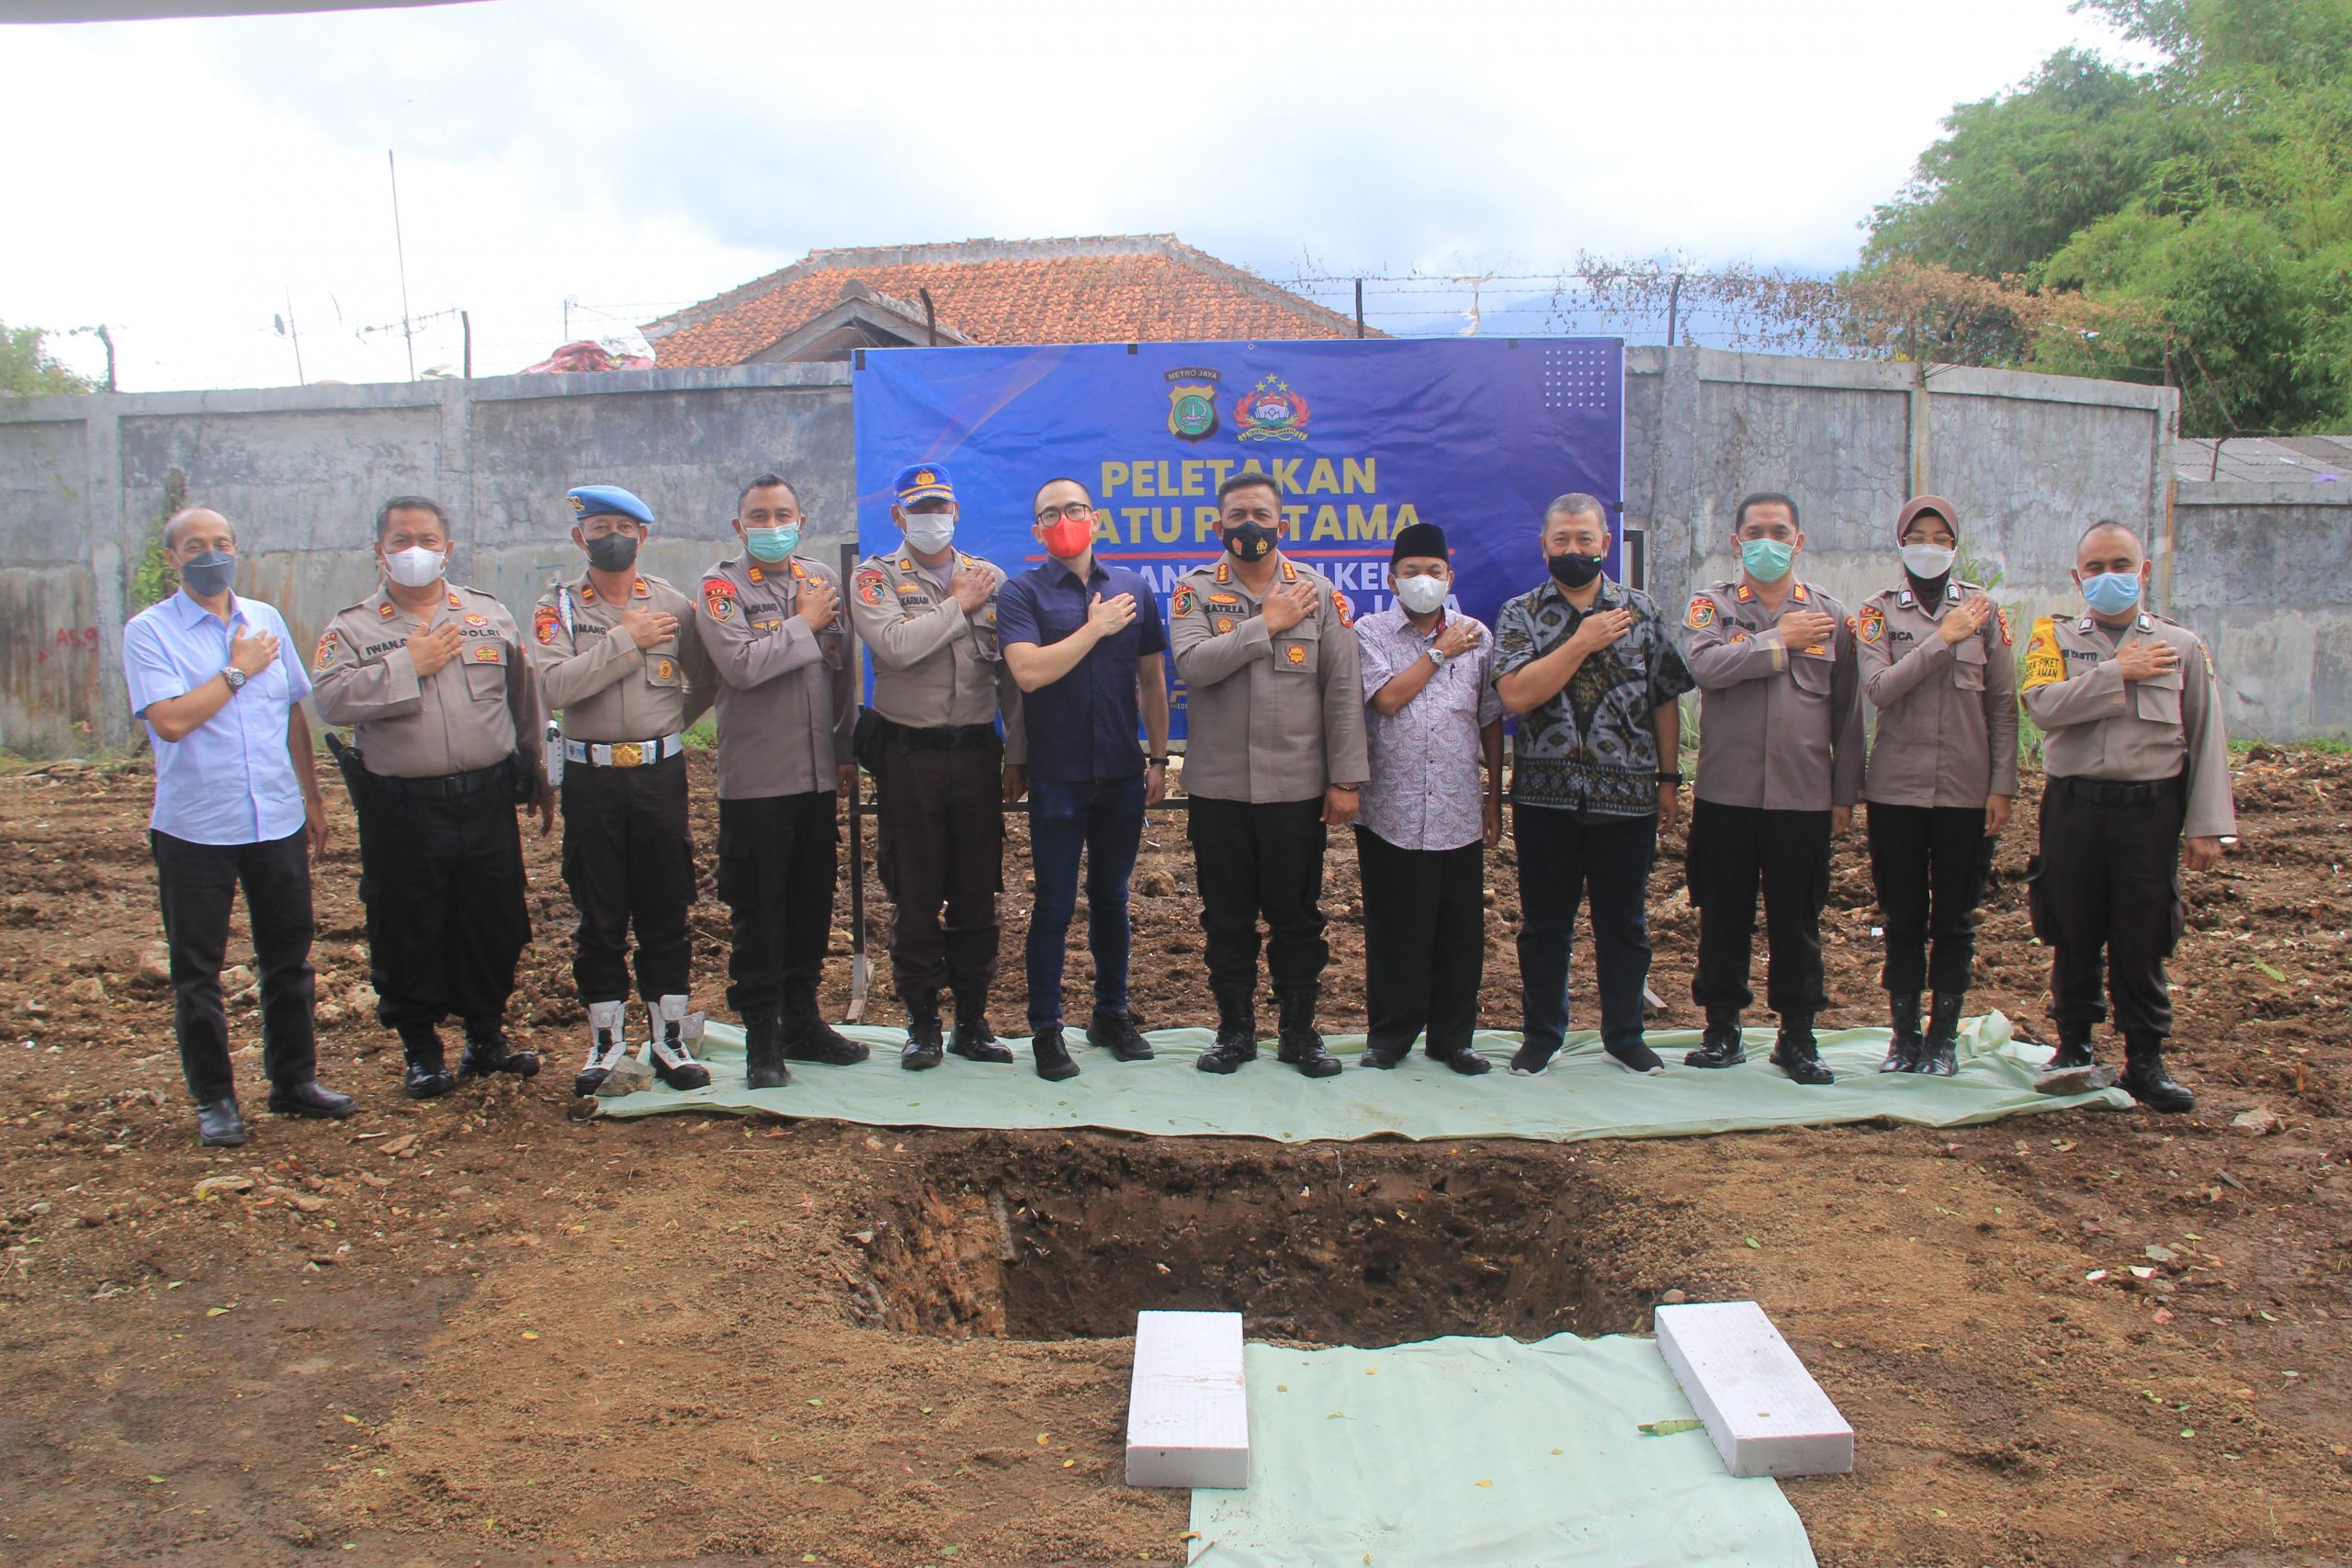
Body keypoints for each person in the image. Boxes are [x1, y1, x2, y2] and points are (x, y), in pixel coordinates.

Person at [122, 507, 353, 1146]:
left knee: (289, 958)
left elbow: (292, 713)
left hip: (273, 817)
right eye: (195, 545)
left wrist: (311, 797)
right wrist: (236, 669)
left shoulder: (266, 619)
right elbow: (169, 720)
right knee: (198, 969)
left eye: (221, 543)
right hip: (196, 825)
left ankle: (294, 1080)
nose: (210, 554)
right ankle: (216, 1099)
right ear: (172, 557)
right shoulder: (150, 632)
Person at [312, 495, 551, 1099]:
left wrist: (540, 771)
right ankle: (421, 1050)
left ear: (448, 546)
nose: (414, 549)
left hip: (485, 797)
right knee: (407, 924)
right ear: (379, 551)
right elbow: (332, 701)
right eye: (400, 539)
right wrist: (406, 665)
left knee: (492, 920)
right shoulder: (352, 627)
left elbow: (524, 700)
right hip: (402, 808)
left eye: (427, 537)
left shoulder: (488, 615)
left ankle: (485, 1038)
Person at [2020, 521, 2235, 1111]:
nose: (2108, 577)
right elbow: (2042, 708)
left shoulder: (2182, 645)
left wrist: (2206, 824)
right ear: (2076, 576)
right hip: (2074, 807)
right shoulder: (2053, 638)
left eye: (2121, 564)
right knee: (2072, 927)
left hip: (2149, 812)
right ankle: (2074, 1048)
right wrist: (2120, 673)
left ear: (2143, 571)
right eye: (2095, 567)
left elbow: (2205, 734)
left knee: (2143, 934)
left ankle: (2146, 1057)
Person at [1170, 470, 1371, 1077]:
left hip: (1296, 790)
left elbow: (1341, 689)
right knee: (1225, 919)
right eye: (1236, 515)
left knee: (1298, 917)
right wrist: (1267, 624)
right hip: (1220, 790)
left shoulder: (1318, 592)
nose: (1248, 525)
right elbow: (1193, 664)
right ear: (1218, 526)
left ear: (1283, 524)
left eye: (1260, 513)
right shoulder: (1194, 591)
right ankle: (1234, 1033)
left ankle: (1298, 1033)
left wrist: (1346, 779)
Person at [1494, 494, 1694, 1077]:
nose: (1573, 550)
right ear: (1544, 546)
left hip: (1627, 798)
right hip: (1544, 799)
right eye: (1562, 540)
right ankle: (1542, 1035)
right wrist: (1582, 640)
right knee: (1543, 927)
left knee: (1624, 925)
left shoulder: (1641, 611)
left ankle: (1625, 1035)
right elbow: (1516, 695)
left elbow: (1664, 699)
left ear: (1606, 545)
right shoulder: (1520, 613)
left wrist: (1667, 779)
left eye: (1585, 540)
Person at [529, 484, 717, 1096]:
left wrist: (668, 731)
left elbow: (706, 678)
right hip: (591, 777)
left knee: (666, 905)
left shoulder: (673, 603)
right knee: (600, 913)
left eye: (625, 526)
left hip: (659, 777)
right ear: (579, 536)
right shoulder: (557, 607)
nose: (613, 535)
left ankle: (668, 1039)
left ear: (644, 536)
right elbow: (555, 686)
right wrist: (625, 640)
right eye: (599, 524)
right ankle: (606, 1042)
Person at [1680, 492, 1865, 1085]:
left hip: (1802, 798)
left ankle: (1798, 1036)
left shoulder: (1833, 617)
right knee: (1723, 914)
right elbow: (1703, 668)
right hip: (1725, 795)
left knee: (1798, 919)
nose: (1767, 542)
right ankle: (1722, 1029)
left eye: (1779, 532)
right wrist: (1777, 640)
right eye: (1754, 532)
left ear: (1798, 541)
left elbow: (1848, 716)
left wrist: (1843, 795)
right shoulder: (1712, 606)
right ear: (1736, 542)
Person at [850, 463, 1027, 1071]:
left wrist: (1017, 751)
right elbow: (895, 646)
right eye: (919, 508)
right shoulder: (875, 577)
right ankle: (922, 1023)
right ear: (899, 516)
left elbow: (1009, 676)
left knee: (978, 892)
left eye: (941, 507)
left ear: (957, 512)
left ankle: (972, 1021)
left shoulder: (991, 579)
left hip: (977, 754)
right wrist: (957, 604)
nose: (932, 518)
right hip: (909, 756)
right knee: (917, 893)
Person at [995, 477, 1171, 1080]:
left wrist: (1157, 757)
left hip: (1122, 772)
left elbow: (1152, 681)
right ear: (1038, 529)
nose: (1064, 519)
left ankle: (1110, 1013)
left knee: (1112, 899)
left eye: (1074, 509)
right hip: (1058, 775)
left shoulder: (1131, 588)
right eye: (1051, 513)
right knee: (1052, 905)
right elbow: (1029, 674)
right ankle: (1046, 1027)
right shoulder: (1021, 594)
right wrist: (1094, 628)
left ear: (1095, 518)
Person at [696, 472, 864, 1089]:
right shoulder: (722, 587)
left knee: (809, 908)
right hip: (757, 785)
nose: (772, 526)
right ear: (739, 527)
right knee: (759, 914)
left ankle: (803, 1021)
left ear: (802, 519)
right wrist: (800, 623)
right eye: (759, 517)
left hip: (818, 780)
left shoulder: (821, 581)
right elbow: (740, 665)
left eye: (783, 514)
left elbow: (841, 673)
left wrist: (845, 749)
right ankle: (761, 1039)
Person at [1855, 494, 2019, 1076]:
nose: (1930, 547)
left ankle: (1943, 1040)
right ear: (1901, 543)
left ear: (1955, 546)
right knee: (1902, 918)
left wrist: (2002, 785)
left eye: (1941, 538)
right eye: (1918, 535)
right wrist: (1941, 639)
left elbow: (2002, 705)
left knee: (1955, 919)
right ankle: (1903, 1038)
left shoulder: (1986, 611)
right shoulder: (1876, 613)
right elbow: (1878, 690)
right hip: (1897, 792)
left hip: (1967, 794)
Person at [1353, 522, 1504, 1074]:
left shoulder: (1479, 636)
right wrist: (1440, 652)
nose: (1424, 580)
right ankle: (1390, 1037)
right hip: (1390, 811)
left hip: (1458, 809)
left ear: (1450, 576)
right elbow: (1388, 699)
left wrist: (1493, 799)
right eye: (1412, 571)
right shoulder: (1370, 632)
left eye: (1434, 572)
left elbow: (1490, 720)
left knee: (1459, 930)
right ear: (1393, 578)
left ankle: (1452, 1038)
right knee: (1396, 928)